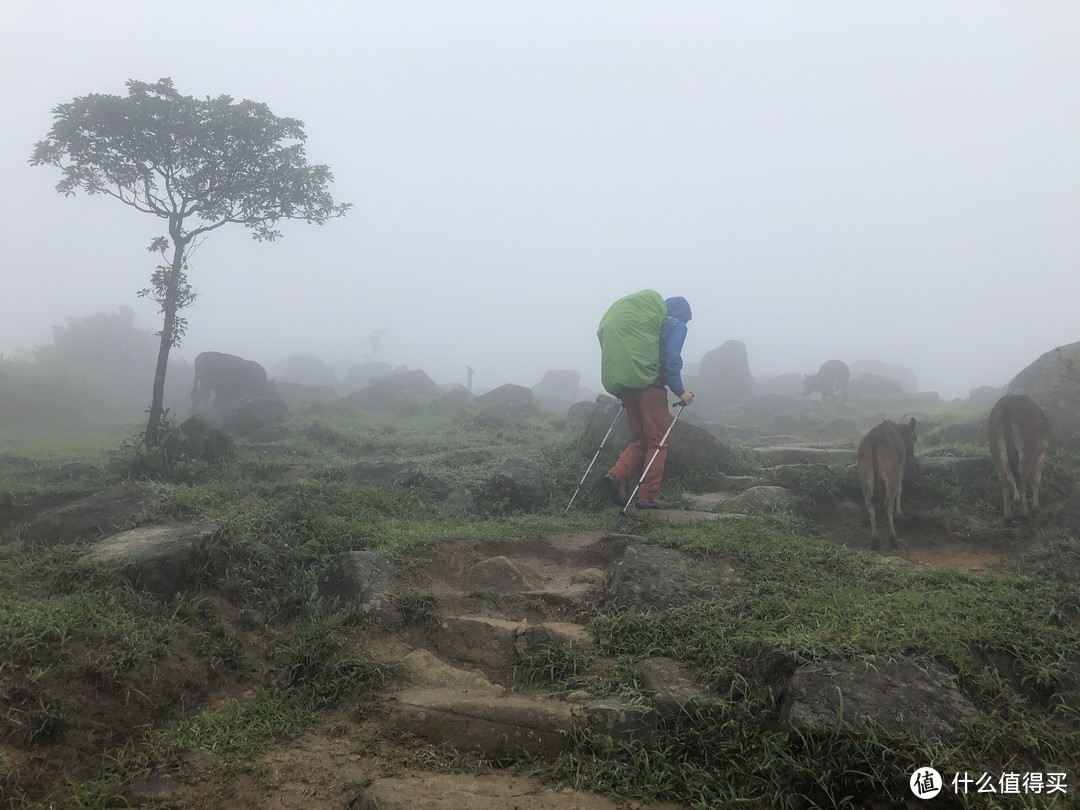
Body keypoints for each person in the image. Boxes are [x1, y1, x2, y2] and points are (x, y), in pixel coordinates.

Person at [603, 296, 694, 509]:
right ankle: (648, 495)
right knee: (658, 441)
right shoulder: (676, 325)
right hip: (651, 388)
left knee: (640, 440)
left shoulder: (649, 325)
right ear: (684, 315)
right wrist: (680, 391)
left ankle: (616, 475)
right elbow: (672, 357)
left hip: (629, 386)